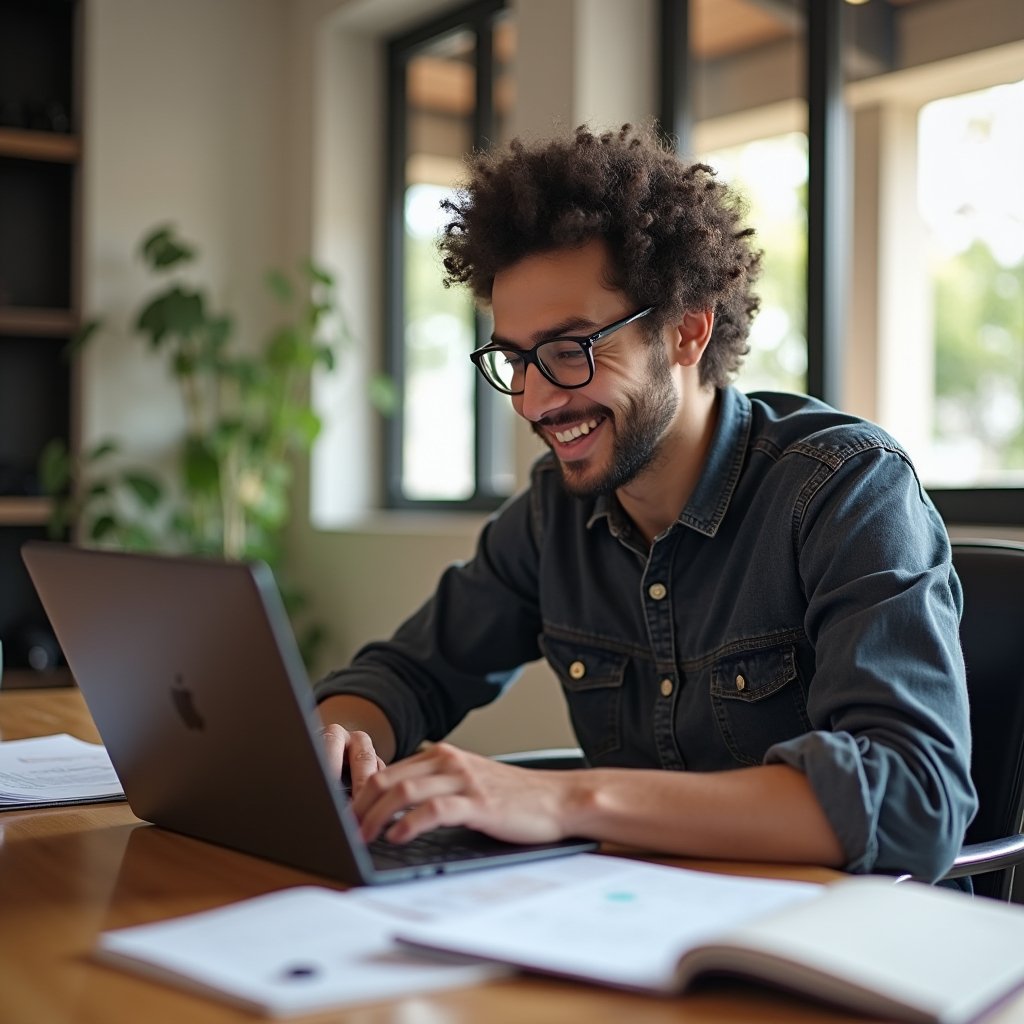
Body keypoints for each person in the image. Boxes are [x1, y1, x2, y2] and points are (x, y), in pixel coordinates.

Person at [315, 123, 976, 880]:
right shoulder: (552, 514)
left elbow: (912, 801)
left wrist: (566, 800)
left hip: (825, 949)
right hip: (633, 924)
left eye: (570, 351)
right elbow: (410, 674)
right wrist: (337, 738)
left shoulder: (844, 488)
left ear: (687, 331)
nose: (533, 401)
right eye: (515, 360)